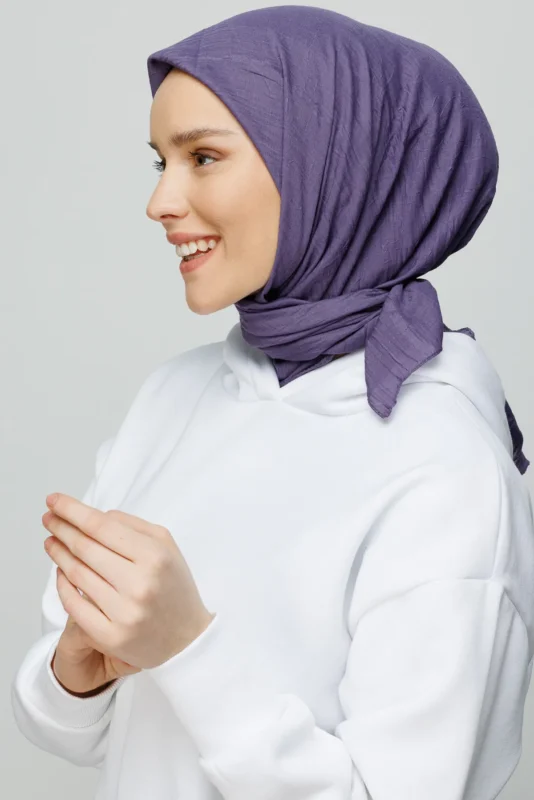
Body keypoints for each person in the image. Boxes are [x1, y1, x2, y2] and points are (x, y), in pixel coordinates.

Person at [11, 6, 534, 799]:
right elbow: (75, 732)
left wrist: (188, 650)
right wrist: (76, 670)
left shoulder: (445, 467)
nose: (160, 201)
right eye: (160, 161)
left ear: (333, 166)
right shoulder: (174, 395)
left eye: (203, 157)